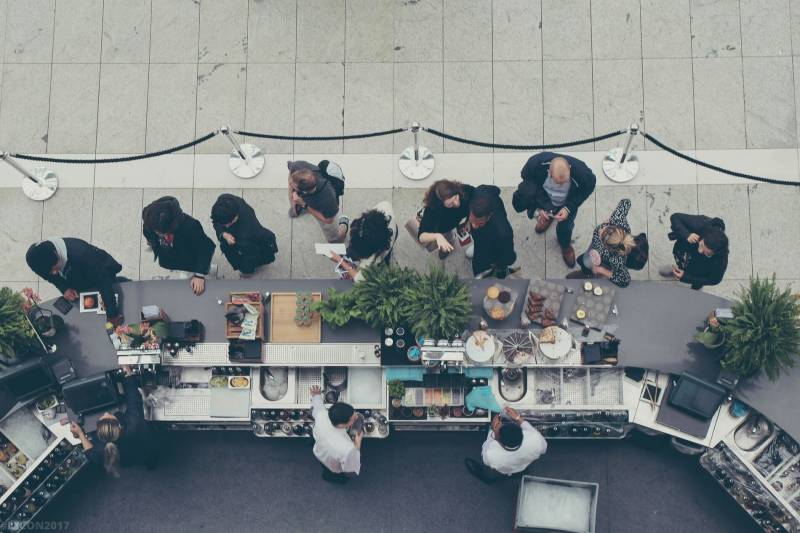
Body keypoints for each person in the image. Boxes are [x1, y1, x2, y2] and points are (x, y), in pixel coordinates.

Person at [512, 152, 597, 267]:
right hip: (544, 200)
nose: (561, 186)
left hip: (567, 204)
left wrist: (568, 208)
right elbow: (528, 185)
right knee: (544, 215)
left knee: (566, 228)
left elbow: (588, 188)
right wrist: (539, 209)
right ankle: (547, 219)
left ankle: (565, 244)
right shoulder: (535, 164)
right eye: (558, 182)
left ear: (570, 169)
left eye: (565, 182)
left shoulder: (584, 174)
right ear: (549, 172)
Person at [69, 366, 157, 478]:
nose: (106, 413)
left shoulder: (102, 450)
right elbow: (133, 399)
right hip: (145, 449)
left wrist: (81, 434)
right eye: (109, 417)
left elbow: (90, 453)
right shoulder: (134, 422)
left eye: (102, 419)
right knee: (149, 457)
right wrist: (128, 373)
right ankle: (150, 464)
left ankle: (148, 463)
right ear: (119, 426)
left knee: (141, 458)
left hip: (126, 462)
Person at [26, 238, 124, 324]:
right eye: (50, 271)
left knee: (112, 287)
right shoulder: (34, 260)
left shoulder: (81, 254)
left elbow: (103, 280)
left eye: (54, 268)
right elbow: (50, 276)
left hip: (101, 271)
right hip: (77, 278)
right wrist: (64, 288)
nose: (55, 273)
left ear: (56, 253)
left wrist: (112, 315)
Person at [142, 196, 215, 295]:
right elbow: (148, 231)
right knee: (181, 269)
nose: (158, 234)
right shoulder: (151, 220)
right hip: (170, 255)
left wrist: (199, 275)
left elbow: (204, 249)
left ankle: (208, 269)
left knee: (189, 272)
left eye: (161, 232)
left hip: (187, 255)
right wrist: (151, 240)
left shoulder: (191, 226)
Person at [464, 407, 547, 483]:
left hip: (503, 470)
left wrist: (492, 429)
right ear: (521, 433)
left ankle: (491, 480)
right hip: (521, 466)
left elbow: (485, 454)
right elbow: (543, 448)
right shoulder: (536, 440)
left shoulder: (491, 455)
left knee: (491, 475)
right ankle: (516, 473)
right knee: (518, 470)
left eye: (497, 432)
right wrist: (517, 417)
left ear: (499, 441)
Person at [567, 199, 636, 288]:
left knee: (587, 265)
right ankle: (584, 270)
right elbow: (626, 202)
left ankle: (586, 274)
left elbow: (624, 281)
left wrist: (601, 270)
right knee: (585, 260)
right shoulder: (617, 219)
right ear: (614, 227)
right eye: (606, 227)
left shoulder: (617, 259)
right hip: (592, 249)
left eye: (602, 236)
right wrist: (611, 219)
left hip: (599, 261)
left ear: (608, 247)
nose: (600, 230)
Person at [211, 194, 278, 278]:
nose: (226, 227)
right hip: (240, 243)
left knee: (249, 260)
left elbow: (252, 254)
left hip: (250, 249)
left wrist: (246, 271)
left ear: (235, 217)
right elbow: (216, 223)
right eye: (223, 225)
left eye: (228, 224)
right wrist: (223, 234)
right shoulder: (223, 202)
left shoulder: (251, 230)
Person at [328, 201, 397, 282]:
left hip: (377, 253)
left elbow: (359, 279)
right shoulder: (385, 209)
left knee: (348, 255)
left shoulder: (370, 262)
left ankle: (344, 226)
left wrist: (340, 260)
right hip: (390, 237)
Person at [660, 213, 729, 290]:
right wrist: (687, 235)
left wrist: (686, 277)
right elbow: (675, 217)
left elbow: (714, 280)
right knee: (682, 264)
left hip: (699, 272)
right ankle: (675, 270)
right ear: (703, 237)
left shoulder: (721, 260)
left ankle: (695, 287)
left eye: (707, 254)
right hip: (685, 252)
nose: (700, 251)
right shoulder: (702, 224)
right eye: (701, 245)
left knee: (696, 287)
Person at [309, 385, 362, 484]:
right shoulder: (348, 449)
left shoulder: (322, 416)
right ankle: (331, 478)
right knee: (333, 475)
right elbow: (351, 472)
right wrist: (357, 443)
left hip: (319, 453)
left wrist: (316, 395)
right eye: (353, 419)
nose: (356, 418)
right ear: (342, 425)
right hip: (333, 465)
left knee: (323, 465)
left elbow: (318, 406)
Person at [287, 160, 349, 243]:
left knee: (332, 238)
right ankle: (300, 208)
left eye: (293, 185)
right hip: (305, 199)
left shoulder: (326, 197)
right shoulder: (298, 166)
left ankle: (343, 226)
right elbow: (291, 175)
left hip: (324, 211)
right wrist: (292, 201)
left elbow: (328, 220)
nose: (290, 183)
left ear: (304, 191)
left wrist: (304, 204)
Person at [412, 180, 475, 258]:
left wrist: (469, 220)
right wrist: (437, 236)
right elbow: (421, 237)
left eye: (455, 197)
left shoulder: (464, 190)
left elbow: (476, 200)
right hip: (443, 228)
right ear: (440, 205)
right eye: (450, 204)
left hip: (460, 220)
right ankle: (449, 242)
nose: (456, 203)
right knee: (446, 239)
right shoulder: (432, 210)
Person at [468, 186, 518, 278]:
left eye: (479, 223)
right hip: (482, 239)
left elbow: (509, 257)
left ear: (489, 216)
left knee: (481, 270)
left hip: (492, 248)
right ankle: (477, 246)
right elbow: (495, 189)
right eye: (472, 220)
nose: (474, 226)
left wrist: (498, 266)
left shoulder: (503, 233)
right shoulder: (478, 192)